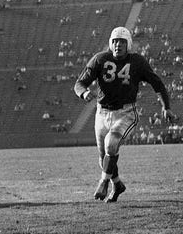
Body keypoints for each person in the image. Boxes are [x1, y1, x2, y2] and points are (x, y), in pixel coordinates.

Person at [74, 26, 175, 203]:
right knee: (103, 155)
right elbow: (80, 83)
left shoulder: (137, 61)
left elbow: (157, 84)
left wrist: (166, 106)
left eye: (121, 41)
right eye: (115, 41)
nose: (118, 45)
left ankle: (103, 182)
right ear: (110, 43)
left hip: (125, 112)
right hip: (101, 112)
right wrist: (84, 92)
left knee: (111, 144)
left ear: (128, 43)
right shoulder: (100, 59)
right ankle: (117, 184)